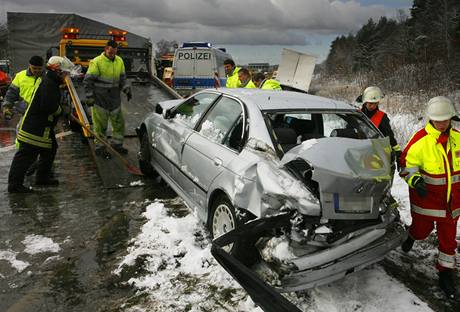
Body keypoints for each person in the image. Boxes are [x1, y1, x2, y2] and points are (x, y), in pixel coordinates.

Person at [399, 96, 460, 299]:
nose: (442, 124)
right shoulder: (420, 140)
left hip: (453, 203)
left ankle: (446, 272)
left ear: (451, 118)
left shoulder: (458, 138)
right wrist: (415, 180)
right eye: (438, 120)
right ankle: (412, 235)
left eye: (445, 119)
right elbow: (406, 165)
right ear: (431, 119)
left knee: (448, 240)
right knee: (422, 230)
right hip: (426, 201)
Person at [7, 56, 74, 193]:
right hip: (34, 127)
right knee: (25, 155)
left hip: (42, 126)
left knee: (50, 149)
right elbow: (48, 106)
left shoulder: (50, 80)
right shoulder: (49, 83)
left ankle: (42, 178)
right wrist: (62, 110)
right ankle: (14, 186)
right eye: (65, 73)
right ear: (58, 71)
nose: (66, 76)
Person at [84, 40, 132, 159]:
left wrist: (127, 89)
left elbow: (122, 79)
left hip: (114, 99)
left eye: (114, 52)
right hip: (100, 99)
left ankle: (117, 144)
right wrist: (90, 97)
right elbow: (88, 81)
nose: (112, 54)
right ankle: (100, 147)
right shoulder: (97, 62)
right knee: (100, 125)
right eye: (110, 52)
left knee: (119, 123)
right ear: (106, 49)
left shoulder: (119, 60)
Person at [360, 86, 401, 169]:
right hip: (359, 152)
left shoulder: (382, 117)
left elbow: (389, 135)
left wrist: (397, 151)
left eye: (375, 103)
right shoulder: (358, 115)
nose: (372, 106)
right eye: (370, 103)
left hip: (376, 155)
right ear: (365, 102)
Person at [1, 56, 44, 120]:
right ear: (29, 65)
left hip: (42, 113)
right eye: (34, 68)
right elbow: (11, 93)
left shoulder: (47, 77)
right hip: (24, 113)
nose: (37, 71)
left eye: (39, 69)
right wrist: (6, 107)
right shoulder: (20, 76)